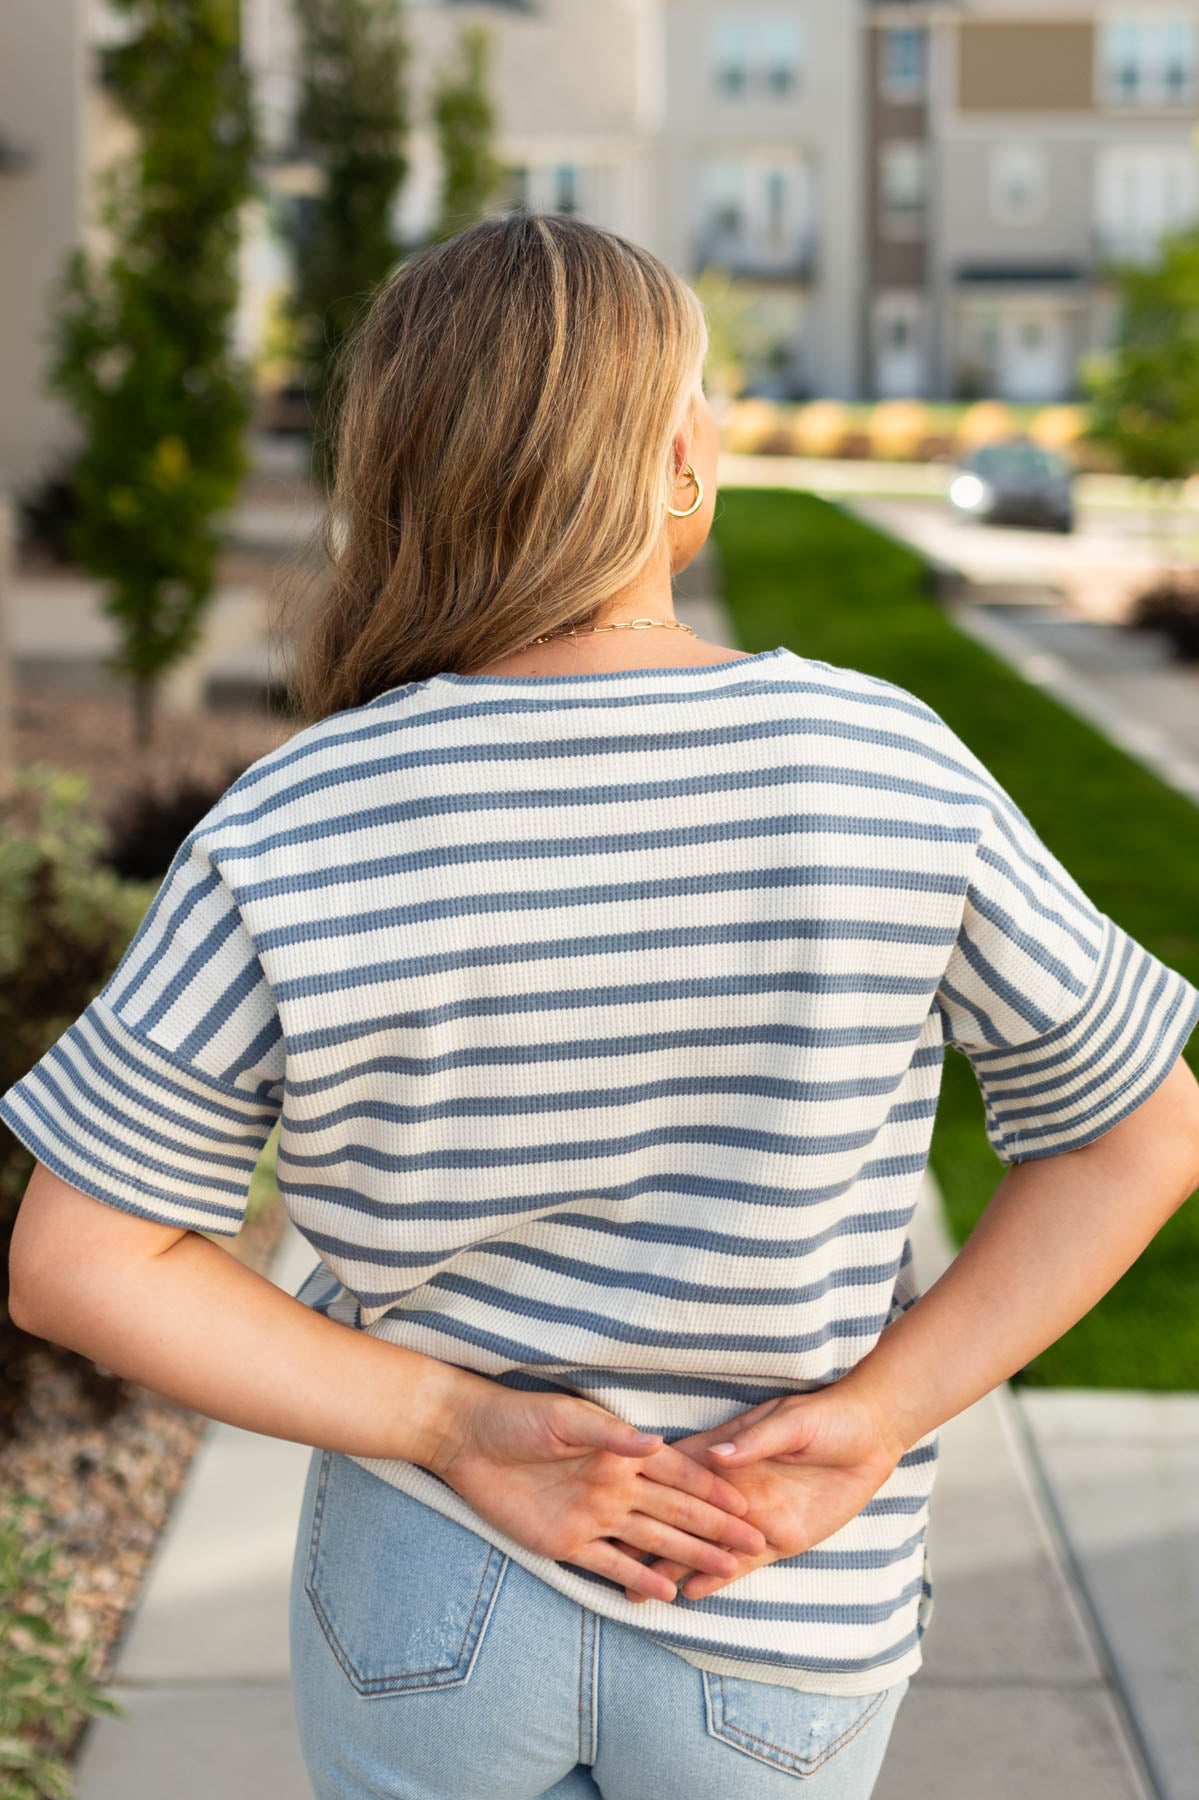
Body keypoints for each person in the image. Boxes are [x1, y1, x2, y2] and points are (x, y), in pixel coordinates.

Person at [4, 212, 1199, 1800]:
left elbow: (81, 1260)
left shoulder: (298, 817)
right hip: (774, 1583)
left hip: (425, 1586)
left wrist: (444, 1421)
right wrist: (873, 1417)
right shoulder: (885, 765)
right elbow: (1142, 1135)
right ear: (681, 457)